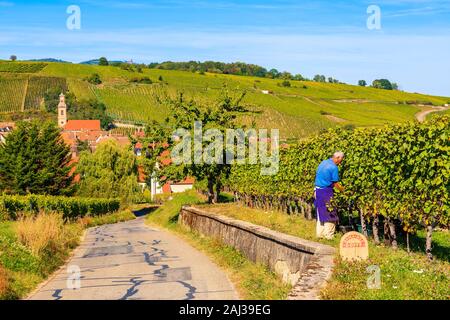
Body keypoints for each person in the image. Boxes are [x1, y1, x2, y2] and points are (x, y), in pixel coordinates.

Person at [314, 151, 345, 240]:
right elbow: (335, 183)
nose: (340, 162)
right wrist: (344, 191)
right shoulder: (333, 167)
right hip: (326, 191)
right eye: (341, 160)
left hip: (317, 190)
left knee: (320, 212)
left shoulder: (323, 162)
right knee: (330, 213)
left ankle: (320, 234)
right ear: (338, 158)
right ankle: (329, 236)